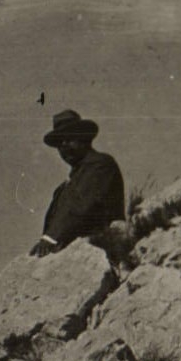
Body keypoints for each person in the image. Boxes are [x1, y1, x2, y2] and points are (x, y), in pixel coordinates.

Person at [30, 109, 125, 257]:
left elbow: (79, 206)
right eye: (60, 143)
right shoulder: (65, 186)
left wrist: (50, 238)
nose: (64, 146)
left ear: (84, 138)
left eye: (70, 139)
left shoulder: (100, 165)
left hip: (99, 251)